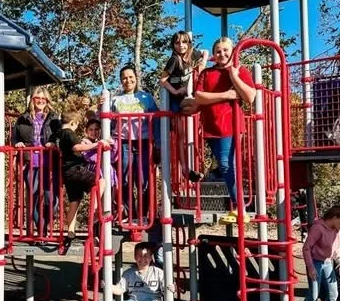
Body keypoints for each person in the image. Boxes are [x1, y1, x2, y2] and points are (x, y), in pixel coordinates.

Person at [194, 37, 256, 224]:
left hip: (230, 125)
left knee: (227, 164)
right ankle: (237, 207)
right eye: (218, 51)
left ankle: (240, 207)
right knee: (224, 166)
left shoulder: (240, 70)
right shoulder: (207, 73)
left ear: (233, 51)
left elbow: (250, 96)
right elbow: (199, 96)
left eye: (226, 50)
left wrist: (234, 77)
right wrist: (226, 95)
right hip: (212, 127)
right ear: (214, 54)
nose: (222, 54)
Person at [106, 65, 160, 223]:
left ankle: (143, 214)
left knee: (143, 179)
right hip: (124, 142)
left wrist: (157, 142)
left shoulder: (146, 98)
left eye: (130, 77)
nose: (128, 80)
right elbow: (106, 120)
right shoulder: (116, 99)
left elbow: (156, 119)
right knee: (124, 178)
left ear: (136, 78)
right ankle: (129, 213)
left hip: (143, 142)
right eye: (124, 78)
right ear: (120, 81)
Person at [12, 87, 60, 237]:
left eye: (43, 99)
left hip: (49, 162)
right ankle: (41, 231)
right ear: (32, 100)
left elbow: (60, 136)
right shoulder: (23, 118)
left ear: (47, 101)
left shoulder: (53, 118)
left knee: (49, 197)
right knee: (33, 198)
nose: (40, 101)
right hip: (31, 162)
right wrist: (18, 143)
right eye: (37, 98)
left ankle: (47, 222)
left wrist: (54, 142)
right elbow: (15, 137)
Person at [160, 30, 208, 183]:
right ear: (173, 45)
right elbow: (162, 79)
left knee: (186, 134)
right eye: (177, 42)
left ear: (189, 43)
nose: (181, 45)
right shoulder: (174, 60)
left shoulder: (192, 54)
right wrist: (175, 90)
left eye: (184, 42)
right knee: (180, 135)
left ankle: (191, 167)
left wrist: (202, 63)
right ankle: (184, 169)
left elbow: (205, 52)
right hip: (174, 99)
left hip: (184, 96)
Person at [58, 110, 107, 241]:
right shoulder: (69, 133)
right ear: (73, 123)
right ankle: (94, 208)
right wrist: (98, 144)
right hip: (76, 169)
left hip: (67, 172)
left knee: (74, 200)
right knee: (101, 181)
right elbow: (77, 147)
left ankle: (71, 229)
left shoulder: (59, 134)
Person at [299, 205, 340, 301]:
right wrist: (311, 267)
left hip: (327, 263)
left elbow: (336, 249)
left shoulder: (336, 230)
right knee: (314, 295)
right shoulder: (318, 228)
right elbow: (306, 248)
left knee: (333, 294)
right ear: (334, 217)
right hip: (315, 262)